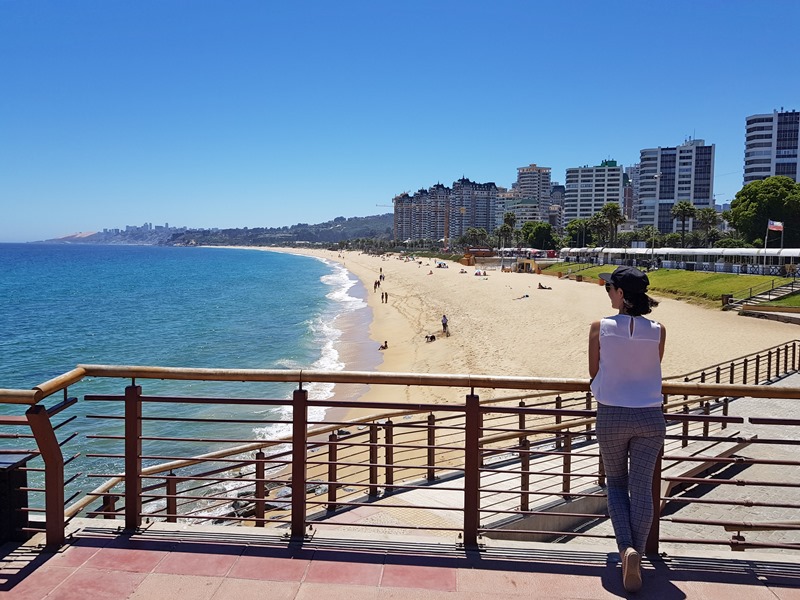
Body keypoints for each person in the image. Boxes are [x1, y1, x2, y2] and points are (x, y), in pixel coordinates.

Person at [588, 266, 666, 594]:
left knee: (617, 485)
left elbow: (593, 372)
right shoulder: (659, 330)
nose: (607, 293)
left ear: (621, 294)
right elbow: (654, 365)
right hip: (650, 416)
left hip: (612, 414)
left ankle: (626, 550)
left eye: (610, 289)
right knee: (643, 488)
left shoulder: (599, 328)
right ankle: (636, 557)